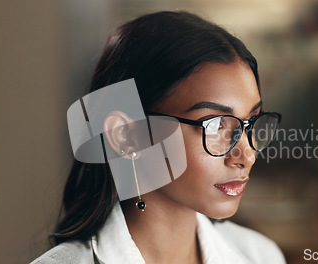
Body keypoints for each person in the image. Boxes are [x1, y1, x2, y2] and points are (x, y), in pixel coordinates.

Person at [31, 10, 286, 264]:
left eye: (250, 122)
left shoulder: (261, 256)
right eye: (215, 125)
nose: (248, 155)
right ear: (124, 134)